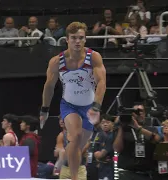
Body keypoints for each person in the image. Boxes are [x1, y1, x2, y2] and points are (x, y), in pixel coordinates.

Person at [39, 22, 107, 180]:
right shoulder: (57, 62)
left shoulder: (94, 57)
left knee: (78, 145)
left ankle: (66, 163)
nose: (77, 41)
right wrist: (45, 109)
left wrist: (96, 107)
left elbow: (101, 83)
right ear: (67, 40)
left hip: (89, 106)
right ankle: (75, 177)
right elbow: (49, 86)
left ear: (85, 39)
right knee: (75, 135)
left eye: (81, 38)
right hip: (69, 105)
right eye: (74, 38)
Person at [113, 103, 160, 180]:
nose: (140, 113)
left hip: (146, 174)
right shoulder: (124, 131)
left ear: (145, 114)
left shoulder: (151, 129)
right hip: (126, 173)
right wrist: (121, 126)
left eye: (141, 111)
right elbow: (117, 149)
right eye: (137, 112)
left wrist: (138, 127)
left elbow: (157, 140)